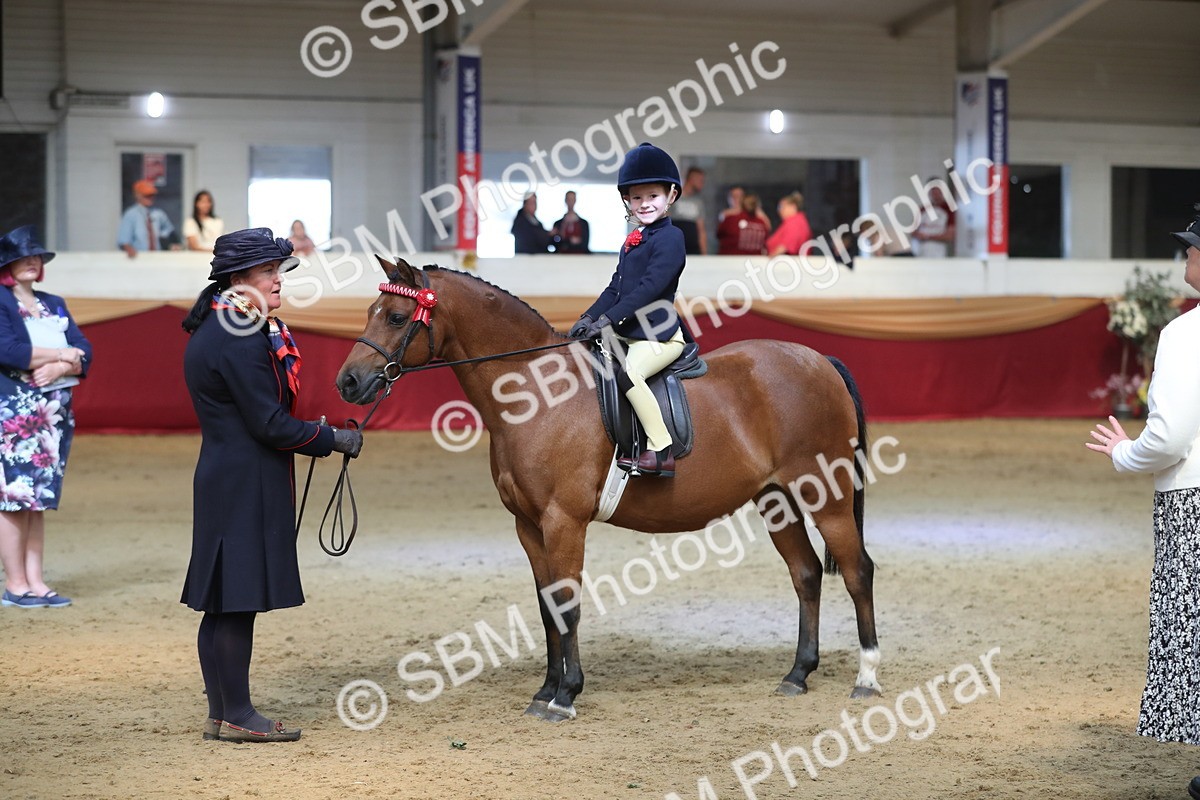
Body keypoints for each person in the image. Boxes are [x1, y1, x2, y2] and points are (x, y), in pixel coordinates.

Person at [180, 228, 363, 742]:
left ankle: (223, 713)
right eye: (269, 272)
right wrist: (330, 439)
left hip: (227, 474)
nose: (279, 281)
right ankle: (239, 715)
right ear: (240, 278)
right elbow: (269, 424)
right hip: (246, 480)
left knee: (222, 602)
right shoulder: (240, 334)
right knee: (237, 601)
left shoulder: (224, 325)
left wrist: (310, 433)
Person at [1086, 207, 1200, 800]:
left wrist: (1126, 454)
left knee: (1192, 631)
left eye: (1193, 249)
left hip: (1194, 501)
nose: (1187, 258)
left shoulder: (1185, 334)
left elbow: (1172, 437)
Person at [568, 143, 686, 478]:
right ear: (627, 201)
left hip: (659, 335)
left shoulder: (671, 238)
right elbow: (615, 288)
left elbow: (648, 289)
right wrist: (588, 318)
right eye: (637, 198)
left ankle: (661, 450)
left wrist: (609, 318)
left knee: (629, 374)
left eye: (653, 196)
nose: (644, 204)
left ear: (671, 196)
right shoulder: (633, 239)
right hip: (628, 332)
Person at [0, 226, 91, 609]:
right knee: (13, 499)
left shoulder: (53, 301)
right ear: (8, 264)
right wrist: (62, 357)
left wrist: (61, 365)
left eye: (37, 256)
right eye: (25, 256)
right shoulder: (1, 301)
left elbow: (85, 349)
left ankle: (35, 580)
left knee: (38, 501)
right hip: (14, 415)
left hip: (52, 416)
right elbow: (9, 350)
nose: (33, 261)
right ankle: (15, 584)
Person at [117, 179, 175, 258]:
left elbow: (169, 231)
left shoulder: (159, 213)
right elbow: (124, 240)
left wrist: (166, 242)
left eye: (152, 195)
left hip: (158, 257)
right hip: (139, 258)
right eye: (146, 195)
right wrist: (129, 249)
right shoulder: (131, 214)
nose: (150, 198)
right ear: (137, 195)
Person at [912, 183, 956, 257]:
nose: (935, 195)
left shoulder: (949, 210)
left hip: (939, 251)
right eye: (933, 192)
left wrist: (928, 237)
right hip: (921, 251)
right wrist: (919, 235)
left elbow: (950, 235)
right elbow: (913, 231)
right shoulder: (923, 209)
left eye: (938, 192)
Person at [671, 167, 707, 255]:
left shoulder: (698, 202)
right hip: (675, 247)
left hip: (693, 249)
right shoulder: (673, 197)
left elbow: (701, 230)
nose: (702, 184)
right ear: (692, 178)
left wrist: (704, 255)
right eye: (700, 180)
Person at [766, 192, 814, 257]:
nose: (779, 210)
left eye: (781, 207)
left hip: (788, 264)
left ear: (793, 207)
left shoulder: (796, 222)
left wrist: (770, 258)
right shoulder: (794, 221)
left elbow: (788, 245)